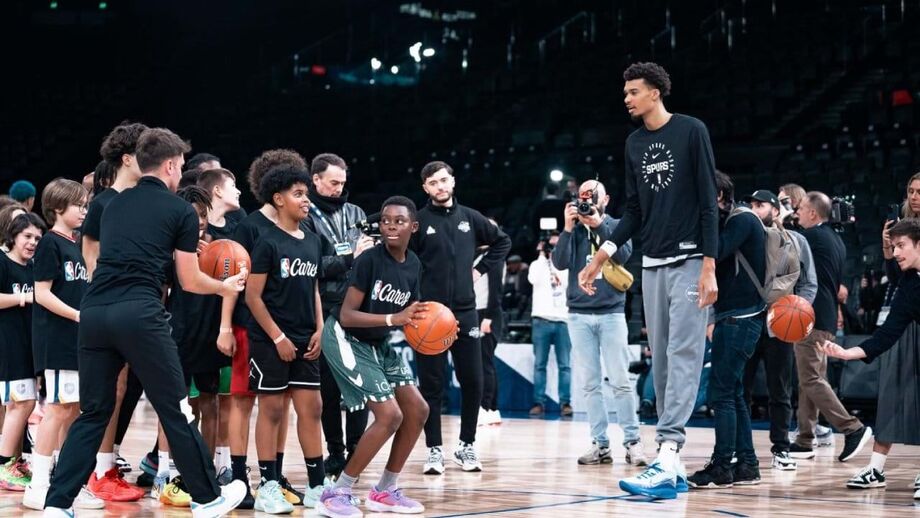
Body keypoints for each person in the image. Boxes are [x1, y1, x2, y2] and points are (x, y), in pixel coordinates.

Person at [41, 127, 248, 517]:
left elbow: (96, 257)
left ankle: (57, 503)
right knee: (175, 407)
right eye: (181, 165)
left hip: (96, 312)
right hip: (140, 312)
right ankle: (207, 498)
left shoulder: (111, 204)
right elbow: (188, 280)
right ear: (171, 165)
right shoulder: (181, 210)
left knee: (94, 412)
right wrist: (225, 286)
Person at [579, 62, 718, 499]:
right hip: (651, 263)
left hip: (692, 258)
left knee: (683, 353)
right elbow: (635, 211)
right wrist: (600, 256)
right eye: (626, 93)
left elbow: (708, 203)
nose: (627, 98)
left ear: (656, 93)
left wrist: (710, 264)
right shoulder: (634, 143)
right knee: (661, 358)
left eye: (634, 91)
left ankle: (668, 451)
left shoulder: (692, 130)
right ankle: (671, 465)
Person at [317, 196, 430, 517]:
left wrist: (434, 331)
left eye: (399, 221)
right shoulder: (369, 260)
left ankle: (384, 490)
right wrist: (395, 320)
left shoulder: (414, 265)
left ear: (413, 226)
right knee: (390, 415)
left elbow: (413, 315)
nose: (391, 226)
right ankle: (337, 491)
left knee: (417, 409)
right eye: (385, 220)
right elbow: (349, 315)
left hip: (377, 340)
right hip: (344, 335)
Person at [411, 160, 511, 475]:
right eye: (433, 183)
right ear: (425, 188)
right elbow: (403, 260)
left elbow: (502, 241)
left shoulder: (470, 218)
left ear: (453, 182)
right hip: (428, 315)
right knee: (431, 385)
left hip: (466, 312)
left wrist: (480, 269)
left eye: (444, 180)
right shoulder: (418, 221)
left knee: (473, 381)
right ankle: (434, 450)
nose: (440, 187)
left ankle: (467, 445)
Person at [221, 149, 308, 509]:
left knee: (282, 404)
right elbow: (234, 279)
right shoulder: (248, 225)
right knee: (243, 400)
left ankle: (274, 475)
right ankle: (240, 475)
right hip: (250, 324)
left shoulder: (301, 227)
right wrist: (225, 325)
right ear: (272, 188)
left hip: (289, 331)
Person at [820, 217, 920, 500]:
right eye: (893, 246)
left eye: (901, 246)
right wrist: (848, 352)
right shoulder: (910, 285)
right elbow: (889, 332)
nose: (896, 253)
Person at [245, 166, 326, 512]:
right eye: (298, 194)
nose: (306, 200)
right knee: (273, 410)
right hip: (270, 340)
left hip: (306, 337)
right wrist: (277, 336)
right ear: (278, 199)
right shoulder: (267, 242)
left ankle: (318, 486)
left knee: (312, 409)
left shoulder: (311, 239)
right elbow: (252, 297)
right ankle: (267, 486)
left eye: (307, 193)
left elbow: (315, 289)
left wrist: (320, 328)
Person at [553, 180, 646, 467]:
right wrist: (568, 228)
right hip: (579, 314)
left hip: (611, 313)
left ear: (606, 198)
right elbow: (560, 262)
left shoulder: (618, 224)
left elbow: (624, 254)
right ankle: (600, 444)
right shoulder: (574, 229)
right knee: (591, 385)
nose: (587, 201)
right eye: (583, 197)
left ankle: (632, 443)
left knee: (620, 383)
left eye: (592, 196)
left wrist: (599, 224)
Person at [24, 179, 102, 511]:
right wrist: (78, 316)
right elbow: (41, 294)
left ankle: (66, 482)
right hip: (56, 340)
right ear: (58, 208)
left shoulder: (74, 245)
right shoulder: (49, 245)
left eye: (86, 205)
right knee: (56, 410)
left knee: (72, 410)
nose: (84, 210)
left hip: (75, 340)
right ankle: (38, 485)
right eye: (79, 205)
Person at [841, 172, 920, 492]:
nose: (915, 196)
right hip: (903, 314)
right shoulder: (900, 227)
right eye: (911, 190)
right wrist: (890, 252)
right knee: (892, 390)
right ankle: (876, 468)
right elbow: (898, 280)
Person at [687, 172, 767, 488]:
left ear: (719, 195)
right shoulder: (733, 220)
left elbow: (715, 252)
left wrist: (702, 221)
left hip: (741, 318)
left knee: (719, 393)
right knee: (732, 392)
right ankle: (746, 464)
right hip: (735, 317)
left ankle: (721, 466)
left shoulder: (742, 220)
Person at [83, 122, 150, 490]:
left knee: (128, 389)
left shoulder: (148, 200)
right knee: (111, 389)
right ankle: (100, 469)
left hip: (144, 304)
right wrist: (101, 280)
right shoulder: (105, 202)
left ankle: (107, 465)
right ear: (127, 158)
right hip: (112, 305)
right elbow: (90, 245)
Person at [301, 153, 373, 479]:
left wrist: (361, 258)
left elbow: (367, 260)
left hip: (358, 308)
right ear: (315, 180)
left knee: (358, 385)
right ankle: (335, 452)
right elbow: (313, 264)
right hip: (324, 307)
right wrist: (349, 257)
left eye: (343, 183)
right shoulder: (305, 216)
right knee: (329, 390)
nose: (338, 188)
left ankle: (357, 449)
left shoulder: (357, 212)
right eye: (333, 183)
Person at [789, 191, 873, 462]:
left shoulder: (810, 237)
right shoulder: (835, 239)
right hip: (824, 315)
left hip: (810, 315)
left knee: (811, 378)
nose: (796, 212)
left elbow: (782, 249)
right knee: (811, 378)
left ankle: (853, 428)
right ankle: (804, 439)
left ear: (813, 213)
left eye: (800, 208)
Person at [742, 189, 818, 471]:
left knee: (780, 391)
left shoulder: (797, 241)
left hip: (780, 323)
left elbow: (810, 283)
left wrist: (798, 309)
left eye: (760, 205)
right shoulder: (745, 238)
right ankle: (741, 449)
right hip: (746, 321)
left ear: (775, 211)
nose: (754, 209)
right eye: (751, 205)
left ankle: (781, 449)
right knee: (741, 391)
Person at [197, 168, 243, 480]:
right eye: (233, 185)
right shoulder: (192, 229)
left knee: (223, 400)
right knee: (189, 402)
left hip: (227, 325)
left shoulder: (240, 228)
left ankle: (221, 464)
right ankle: (169, 468)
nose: (239, 191)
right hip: (194, 325)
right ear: (216, 191)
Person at [0, 213, 45, 491]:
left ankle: (12, 461)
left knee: (23, 403)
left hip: (30, 345)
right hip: (8, 344)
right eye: (27, 236)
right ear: (14, 235)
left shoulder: (33, 268)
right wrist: (23, 298)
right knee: (22, 403)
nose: (32, 243)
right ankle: (5, 464)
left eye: (38, 239)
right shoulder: (3, 262)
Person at [527, 232, 572, 417]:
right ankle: (538, 402)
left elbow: (568, 284)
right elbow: (533, 279)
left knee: (565, 366)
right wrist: (540, 255)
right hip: (541, 319)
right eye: (550, 245)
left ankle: (565, 403)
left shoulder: (566, 265)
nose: (553, 248)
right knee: (539, 364)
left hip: (562, 320)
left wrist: (557, 257)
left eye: (556, 244)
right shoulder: (537, 265)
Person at [476, 219, 505, 425]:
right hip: (475, 311)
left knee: (484, 363)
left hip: (487, 313)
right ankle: (487, 409)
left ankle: (488, 408)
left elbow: (496, 290)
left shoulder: (494, 255)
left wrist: (488, 317)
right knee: (478, 363)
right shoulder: (476, 254)